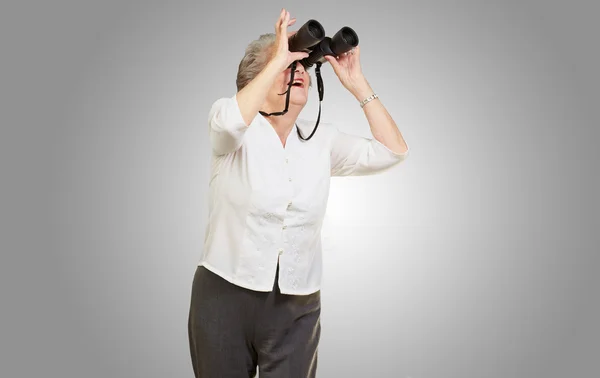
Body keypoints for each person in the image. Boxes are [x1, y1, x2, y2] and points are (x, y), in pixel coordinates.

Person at [187, 8, 410, 378]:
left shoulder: (321, 138)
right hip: (223, 296)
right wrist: (278, 58)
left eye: (302, 64)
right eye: (286, 66)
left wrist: (358, 84)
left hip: (297, 306)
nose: (298, 70)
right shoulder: (230, 124)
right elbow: (229, 122)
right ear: (256, 81)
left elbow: (392, 151)